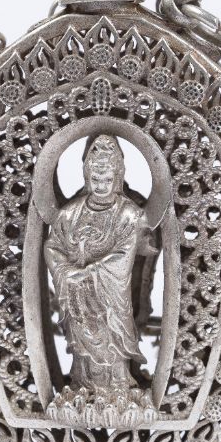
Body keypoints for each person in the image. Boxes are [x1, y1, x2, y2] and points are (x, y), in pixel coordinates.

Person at [44, 135, 148, 391]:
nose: (101, 186)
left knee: (111, 339)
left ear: (118, 176)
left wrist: (90, 272)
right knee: (83, 341)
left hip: (110, 297)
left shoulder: (128, 214)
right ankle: (82, 384)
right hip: (78, 296)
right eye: (96, 179)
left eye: (107, 180)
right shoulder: (70, 213)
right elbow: (53, 247)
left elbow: (124, 255)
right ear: (87, 177)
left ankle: (119, 386)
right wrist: (66, 271)